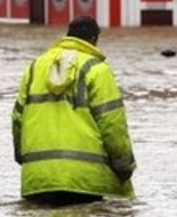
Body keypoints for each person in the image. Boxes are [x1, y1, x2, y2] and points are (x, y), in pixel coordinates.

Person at [12, 16, 136, 204]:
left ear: (67, 35)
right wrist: (124, 167)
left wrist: (27, 161)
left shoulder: (35, 67)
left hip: (38, 179)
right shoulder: (97, 69)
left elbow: (17, 119)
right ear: (94, 40)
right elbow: (112, 123)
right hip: (84, 181)